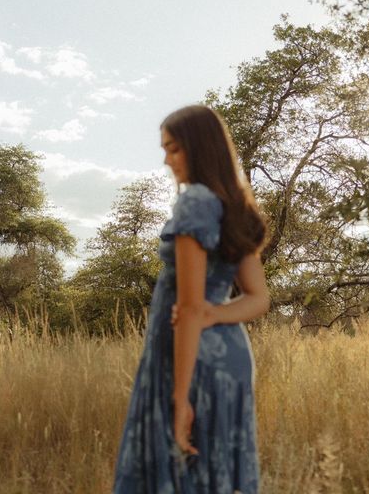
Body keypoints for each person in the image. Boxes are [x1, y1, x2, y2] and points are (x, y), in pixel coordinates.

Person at [112, 104, 271, 494]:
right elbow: (258, 299)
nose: (166, 160)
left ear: (199, 148)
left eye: (174, 148)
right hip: (230, 361)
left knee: (180, 474)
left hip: (189, 360)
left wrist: (180, 397)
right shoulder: (232, 204)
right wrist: (214, 314)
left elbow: (189, 309)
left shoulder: (195, 203)